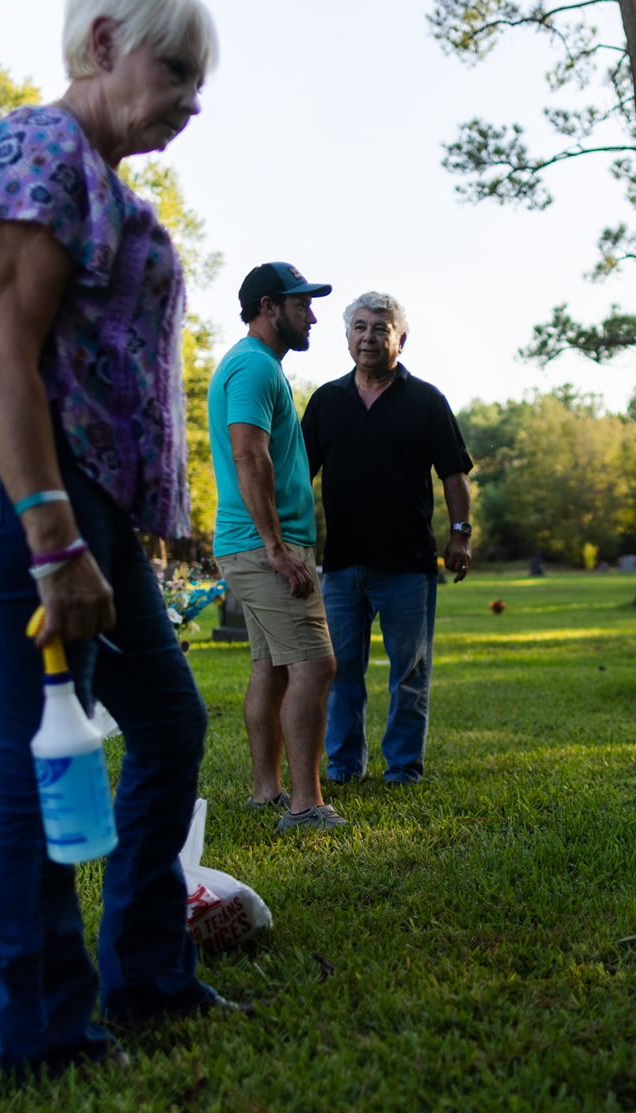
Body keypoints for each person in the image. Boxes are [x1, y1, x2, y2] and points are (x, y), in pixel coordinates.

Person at [0, 0, 239, 1075]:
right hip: (27, 498)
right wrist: (55, 542)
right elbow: (2, 357)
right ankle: (45, 1035)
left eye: (201, 82)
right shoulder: (34, 148)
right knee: (37, 762)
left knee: (168, 725)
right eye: (176, 70)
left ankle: (147, 975)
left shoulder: (105, 184)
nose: (192, 99)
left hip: (85, 512)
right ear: (105, 42)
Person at [301, 292, 473, 785]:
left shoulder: (425, 401)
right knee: (341, 673)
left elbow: (455, 476)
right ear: (347, 336)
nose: (369, 337)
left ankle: (403, 768)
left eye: (381, 328)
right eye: (359, 327)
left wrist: (460, 535)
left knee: (409, 673)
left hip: (407, 565)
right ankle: (342, 766)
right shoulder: (326, 401)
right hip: (341, 566)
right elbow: (299, 477)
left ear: (401, 338)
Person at [208, 263, 346, 831]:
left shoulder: (252, 365)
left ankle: (267, 790)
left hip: (253, 545)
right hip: (265, 546)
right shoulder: (254, 369)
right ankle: (306, 806)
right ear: (270, 307)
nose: (311, 316)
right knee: (315, 666)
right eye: (301, 304)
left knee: (272, 668)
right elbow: (249, 455)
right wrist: (276, 547)